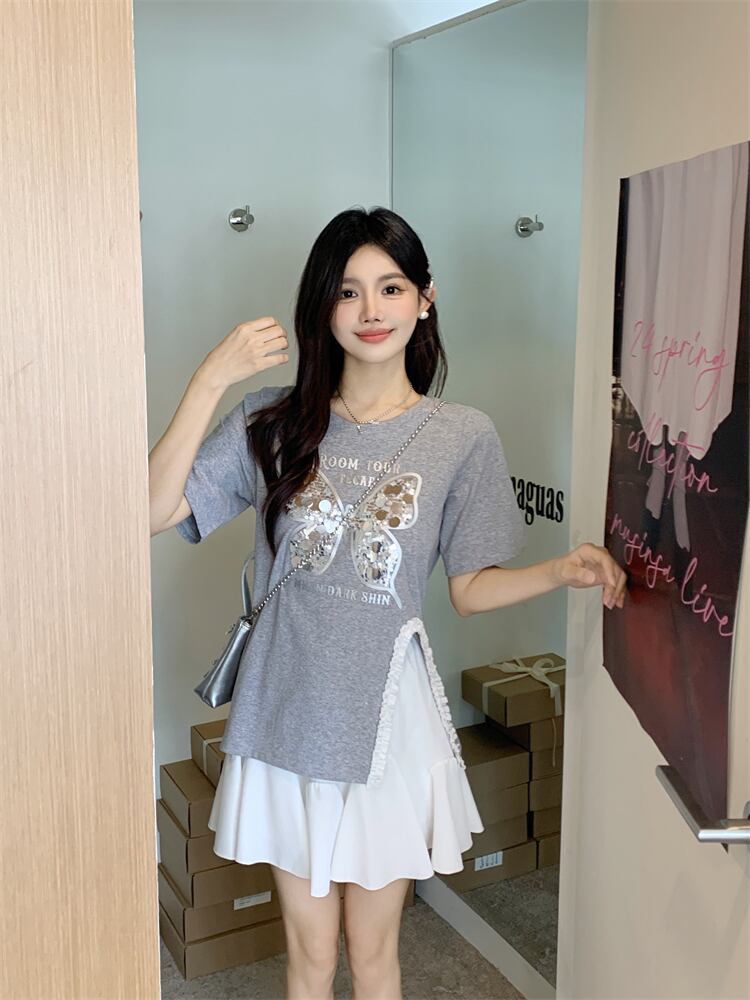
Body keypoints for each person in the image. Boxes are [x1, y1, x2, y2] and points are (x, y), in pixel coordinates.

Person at [149, 206, 627, 1000]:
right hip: (285, 714)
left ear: (425, 299)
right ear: (323, 307)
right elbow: (150, 509)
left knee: (373, 959)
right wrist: (211, 379)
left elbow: (469, 590)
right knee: (308, 959)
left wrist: (559, 570)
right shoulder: (272, 420)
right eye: (348, 291)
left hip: (385, 727)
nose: (371, 310)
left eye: (392, 287)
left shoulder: (462, 435)